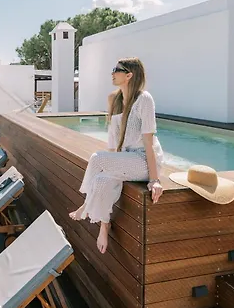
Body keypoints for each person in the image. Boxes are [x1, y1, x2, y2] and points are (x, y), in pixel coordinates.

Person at [69, 57, 164, 254]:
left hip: (143, 161)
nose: (112, 73)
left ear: (129, 75)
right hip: (125, 158)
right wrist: (112, 165)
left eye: (117, 69)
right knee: (102, 180)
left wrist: (154, 180)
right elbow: (113, 140)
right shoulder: (115, 99)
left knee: (97, 158)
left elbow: (148, 142)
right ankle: (104, 226)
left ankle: (85, 205)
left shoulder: (144, 99)